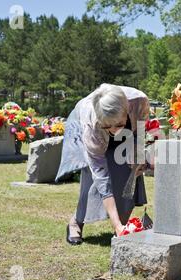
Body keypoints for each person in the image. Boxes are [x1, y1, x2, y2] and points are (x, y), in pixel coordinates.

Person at [56, 84, 149, 245]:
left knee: (130, 169)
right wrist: (115, 223)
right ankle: (76, 222)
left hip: (127, 133)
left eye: (119, 124)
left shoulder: (139, 101)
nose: (114, 131)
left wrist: (138, 154)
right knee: (91, 178)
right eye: (108, 126)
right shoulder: (90, 125)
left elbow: (139, 129)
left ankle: (123, 225)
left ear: (127, 109)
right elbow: (101, 177)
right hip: (86, 130)